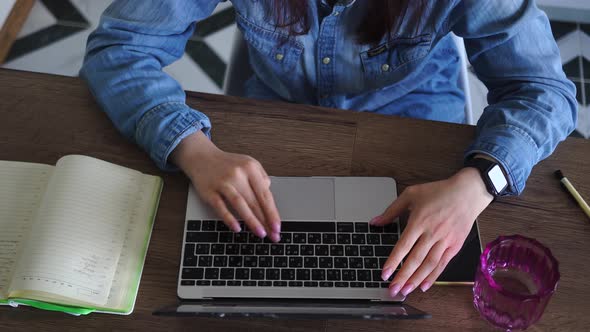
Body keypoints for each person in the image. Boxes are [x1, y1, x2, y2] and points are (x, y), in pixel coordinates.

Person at [80, 0, 577, 298]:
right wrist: (193, 150)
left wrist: (478, 183)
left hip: (414, 110)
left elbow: (544, 91)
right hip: (280, 108)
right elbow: (119, 49)